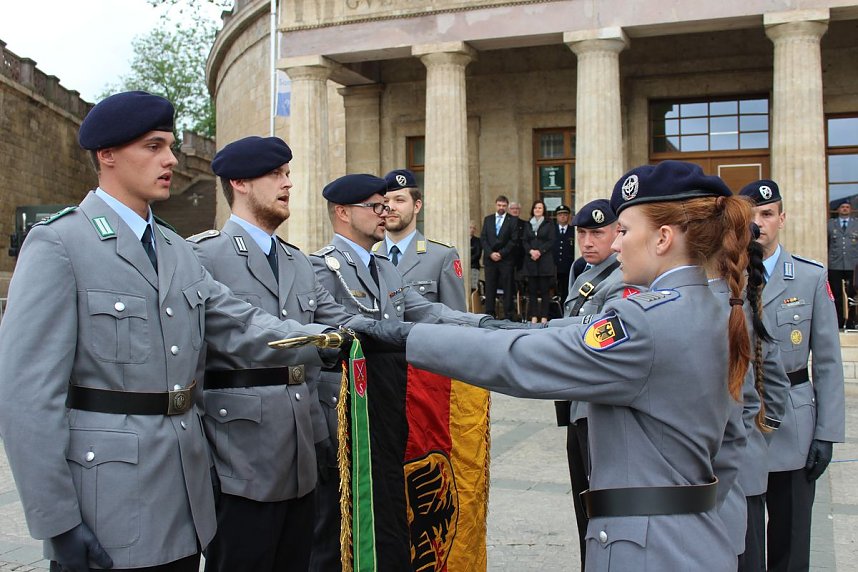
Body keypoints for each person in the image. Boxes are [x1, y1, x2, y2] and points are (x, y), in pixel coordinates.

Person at [356, 160, 755, 570]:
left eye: (623, 231)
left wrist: (407, 339)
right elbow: (731, 446)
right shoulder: (717, 308)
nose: (617, 245)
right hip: (697, 538)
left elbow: (519, 361)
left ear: (663, 238)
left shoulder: (646, 321)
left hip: (651, 549)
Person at [0, 92, 336, 572]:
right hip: (107, 499)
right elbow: (26, 395)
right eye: (153, 146)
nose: (171, 160)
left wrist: (328, 341)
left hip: (181, 498)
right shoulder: (61, 242)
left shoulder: (176, 249)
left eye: (171, 146)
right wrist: (56, 521)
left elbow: (240, 323)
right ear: (107, 154)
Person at [189, 136, 363, 572]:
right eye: (275, 174)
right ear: (240, 182)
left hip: (301, 451)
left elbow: (345, 324)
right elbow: (190, 363)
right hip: (238, 458)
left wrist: (413, 337)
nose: (288, 183)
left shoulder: (296, 261)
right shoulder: (203, 256)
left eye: (287, 173)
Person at [308, 173, 486, 570]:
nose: (384, 211)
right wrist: (410, 337)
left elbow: (429, 312)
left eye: (386, 204)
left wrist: (486, 326)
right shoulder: (321, 268)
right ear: (343, 212)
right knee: (338, 529)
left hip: (388, 412)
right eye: (375, 206)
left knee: (388, 514)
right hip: (346, 418)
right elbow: (344, 328)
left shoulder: (385, 268)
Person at [739, 179, 846, 572]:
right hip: (742, 427)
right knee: (744, 547)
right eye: (750, 215)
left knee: (792, 545)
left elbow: (828, 362)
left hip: (794, 426)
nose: (758, 223)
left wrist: (827, 434)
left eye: (767, 214)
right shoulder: (726, 276)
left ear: (782, 219)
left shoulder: (809, 277)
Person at [549, 198, 628, 570]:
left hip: (600, 409)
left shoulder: (621, 278)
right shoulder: (581, 271)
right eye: (582, 233)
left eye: (597, 233)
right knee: (584, 504)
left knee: (602, 506)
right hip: (577, 405)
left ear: (617, 232)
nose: (587, 242)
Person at [373, 169, 467, 311]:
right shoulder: (370, 255)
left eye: (399, 200)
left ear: (417, 206)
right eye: (385, 201)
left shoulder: (442, 257)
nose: (390, 207)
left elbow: (456, 317)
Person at [479, 195, 518, 318]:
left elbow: (513, 240)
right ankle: (489, 313)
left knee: (508, 287)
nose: (501, 207)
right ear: (495, 205)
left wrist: (501, 253)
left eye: (504, 206)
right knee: (490, 287)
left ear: (507, 206)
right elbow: (483, 238)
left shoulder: (512, 220)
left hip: (505, 259)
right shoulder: (488, 219)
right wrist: (490, 253)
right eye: (499, 205)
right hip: (490, 259)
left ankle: (508, 315)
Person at [522, 200, 556, 323]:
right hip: (531, 261)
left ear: (543, 210)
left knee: (545, 291)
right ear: (533, 210)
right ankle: (534, 316)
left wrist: (540, 252)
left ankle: (544, 316)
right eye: (536, 208)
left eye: (540, 208)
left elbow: (551, 240)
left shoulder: (549, 223)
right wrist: (531, 251)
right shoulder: (528, 224)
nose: (537, 210)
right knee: (532, 291)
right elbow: (524, 240)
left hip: (544, 261)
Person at [827, 200, 858, 329]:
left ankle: (851, 321)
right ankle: (839, 321)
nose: (845, 209)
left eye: (847, 207)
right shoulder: (830, 225)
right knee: (837, 294)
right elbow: (827, 243)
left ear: (850, 209)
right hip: (835, 264)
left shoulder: (856, 224)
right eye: (842, 207)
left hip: (853, 265)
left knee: (852, 294)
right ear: (838, 209)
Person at [553, 204, 575, 303]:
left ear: (569, 216)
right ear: (557, 217)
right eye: (560, 215)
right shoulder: (551, 230)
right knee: (554, 291)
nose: (562, 217)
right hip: (554, 266)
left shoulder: (573, 230)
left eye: (565, 215)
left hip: (567, 266)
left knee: (566, 290)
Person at [470, 220, 482, 294]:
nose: (472, 230)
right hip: (461, 267)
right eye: (470, 227)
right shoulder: (461, 239)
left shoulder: (478, 241)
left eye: (474, 228)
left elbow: (478, 254)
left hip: (473, 266)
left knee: (473, 287)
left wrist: (468, 261)